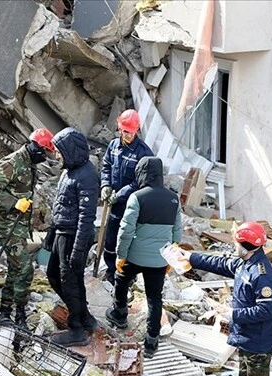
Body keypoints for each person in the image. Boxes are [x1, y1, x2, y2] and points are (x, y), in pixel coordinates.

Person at [185, 222, 272, 376]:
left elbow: (267, 310)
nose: (233, 246)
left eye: (236, 242)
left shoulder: (262, 274)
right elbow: (219, 262)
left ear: (245, 245)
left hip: (258, 341)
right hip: (245, 338)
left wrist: (233, 313)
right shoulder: (244, 263)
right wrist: (189, 257)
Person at [105, 156, 182, 359]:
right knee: (155, 298)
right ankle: (151, 341)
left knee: (121, 280)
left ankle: (120, 314)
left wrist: (121, 255)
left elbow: (126, 230)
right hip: (159, 259)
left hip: (135, 256)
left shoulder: (137, 197)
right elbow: (177, 233)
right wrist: (171, 260)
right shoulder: (173, 199)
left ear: (141, 173)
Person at [0, 128, 54, 328]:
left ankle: (5, 310)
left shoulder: (30, 165)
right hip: (7, 225)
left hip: (20, 225)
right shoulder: (12, 163)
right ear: (35, 148)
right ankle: (20, 313)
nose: (44, 157)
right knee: (24, 268)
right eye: (44, 152)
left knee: (15, 268)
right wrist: (13, 202)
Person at [46, 128, 100, 347]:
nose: (56, 155)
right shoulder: (69, 171)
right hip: (63, 233)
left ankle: (77, 328)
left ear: (69, 150)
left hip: (73, 236)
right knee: (55, 275)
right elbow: (61, 204)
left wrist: (78, 250)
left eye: (59, 151)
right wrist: (52, 232)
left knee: (70, 282)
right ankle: (84, 316)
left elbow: (87, 217)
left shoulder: (87, 175)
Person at [99, 109, 154, 284]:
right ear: (119, 127)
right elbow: (106, 165)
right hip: (114, 204)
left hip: (132, 205)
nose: (127, 135)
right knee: (111, 239)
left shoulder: (143, 153)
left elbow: (141, 182)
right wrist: (105, 185)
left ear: (137, 130)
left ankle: (126, 275)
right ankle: (110, 270)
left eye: (131, 132)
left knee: (128, 241)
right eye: (124, 131)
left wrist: (121, 194)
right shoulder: (114, 146)